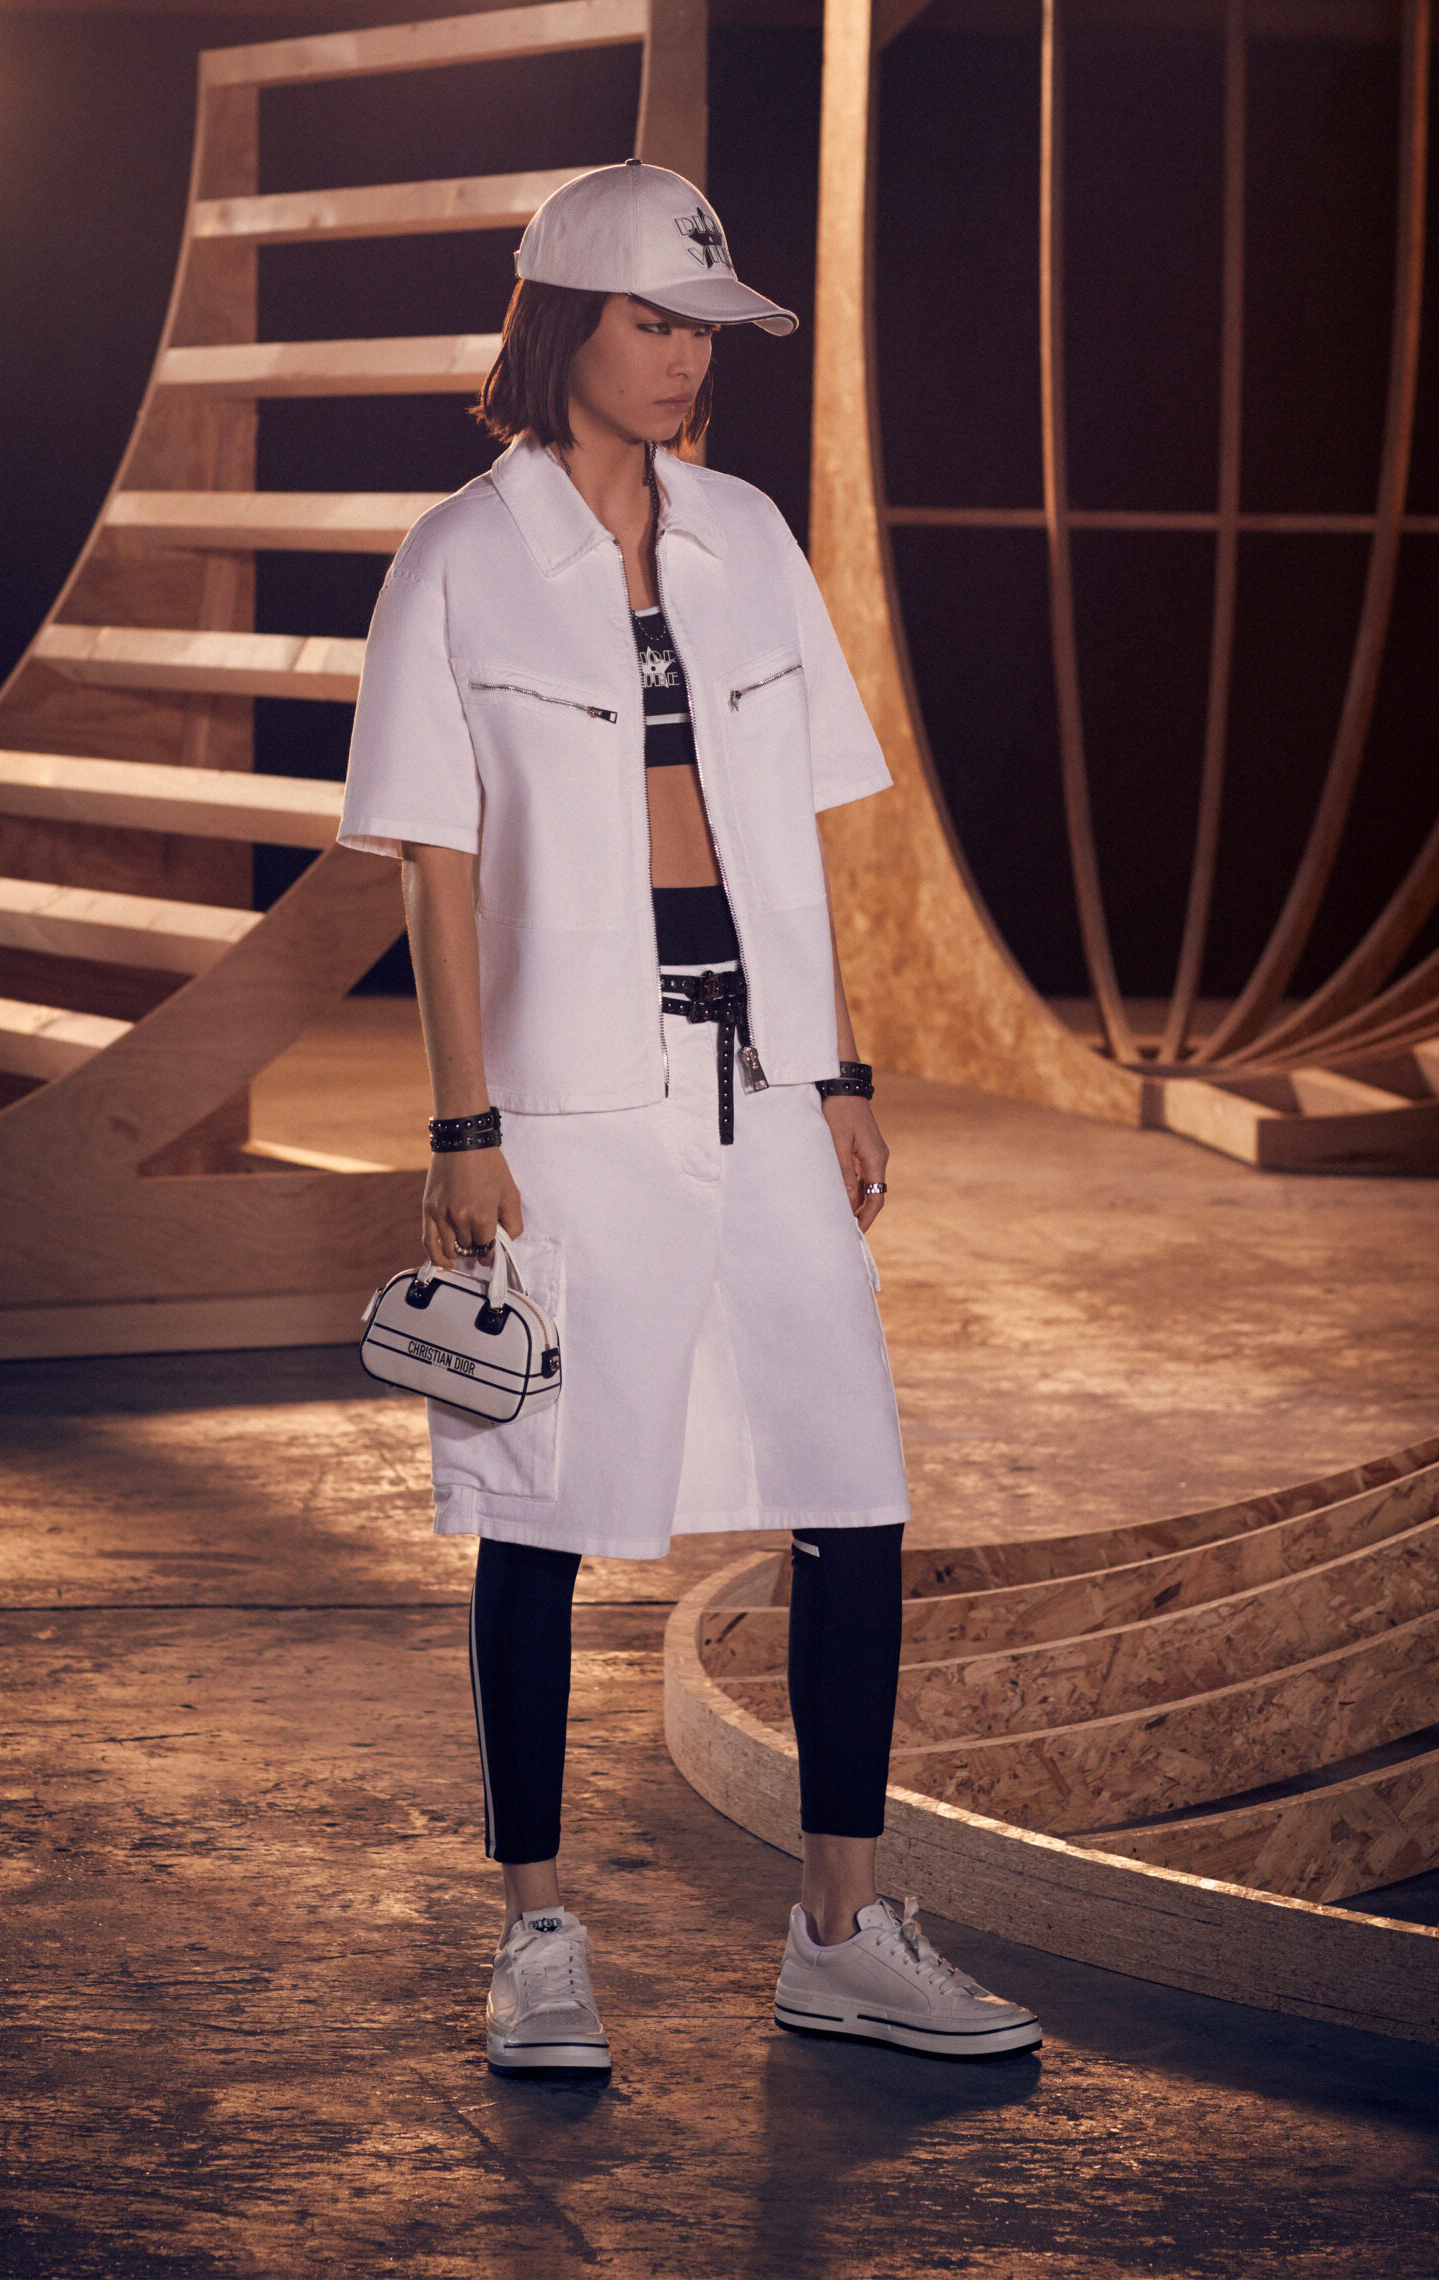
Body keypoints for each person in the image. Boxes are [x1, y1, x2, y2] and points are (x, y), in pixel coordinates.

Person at [340, 160, 1040, 2073]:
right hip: (570, 1099)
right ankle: (535, 1936)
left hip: (764, 1076)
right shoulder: (458, 558)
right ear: (565, 323)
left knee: (852, 1484)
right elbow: (433, 860)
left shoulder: (745, 536)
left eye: (705, 330)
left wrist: (842, 1068)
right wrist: (461, 1125)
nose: (683, 362)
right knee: (541, 1504)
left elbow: (795, 836)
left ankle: (840, 1930)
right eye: (652, 323)